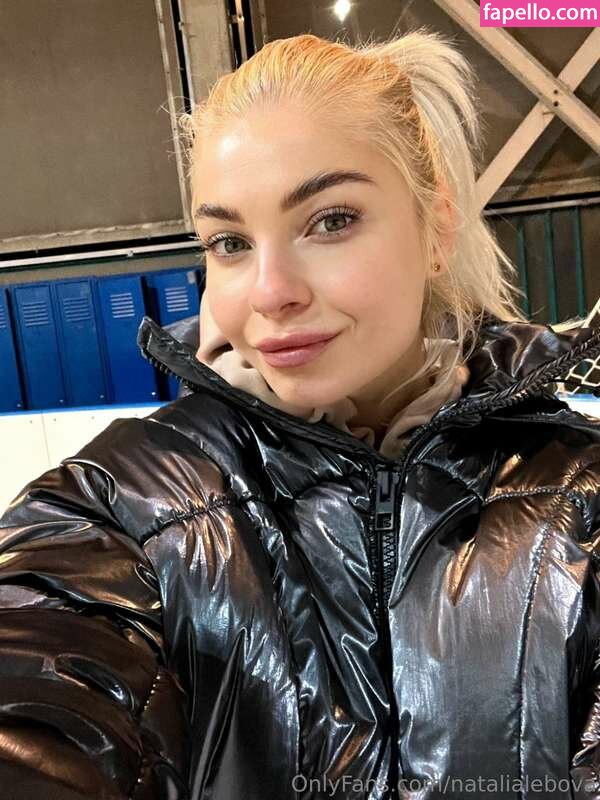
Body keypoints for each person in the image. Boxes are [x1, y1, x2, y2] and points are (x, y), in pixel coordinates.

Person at [0, 29, 599, 800]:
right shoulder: (121, 501)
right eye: (229, 242)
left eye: (331, 220)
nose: (270, 291)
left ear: (438, 227)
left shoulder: (582, 497)